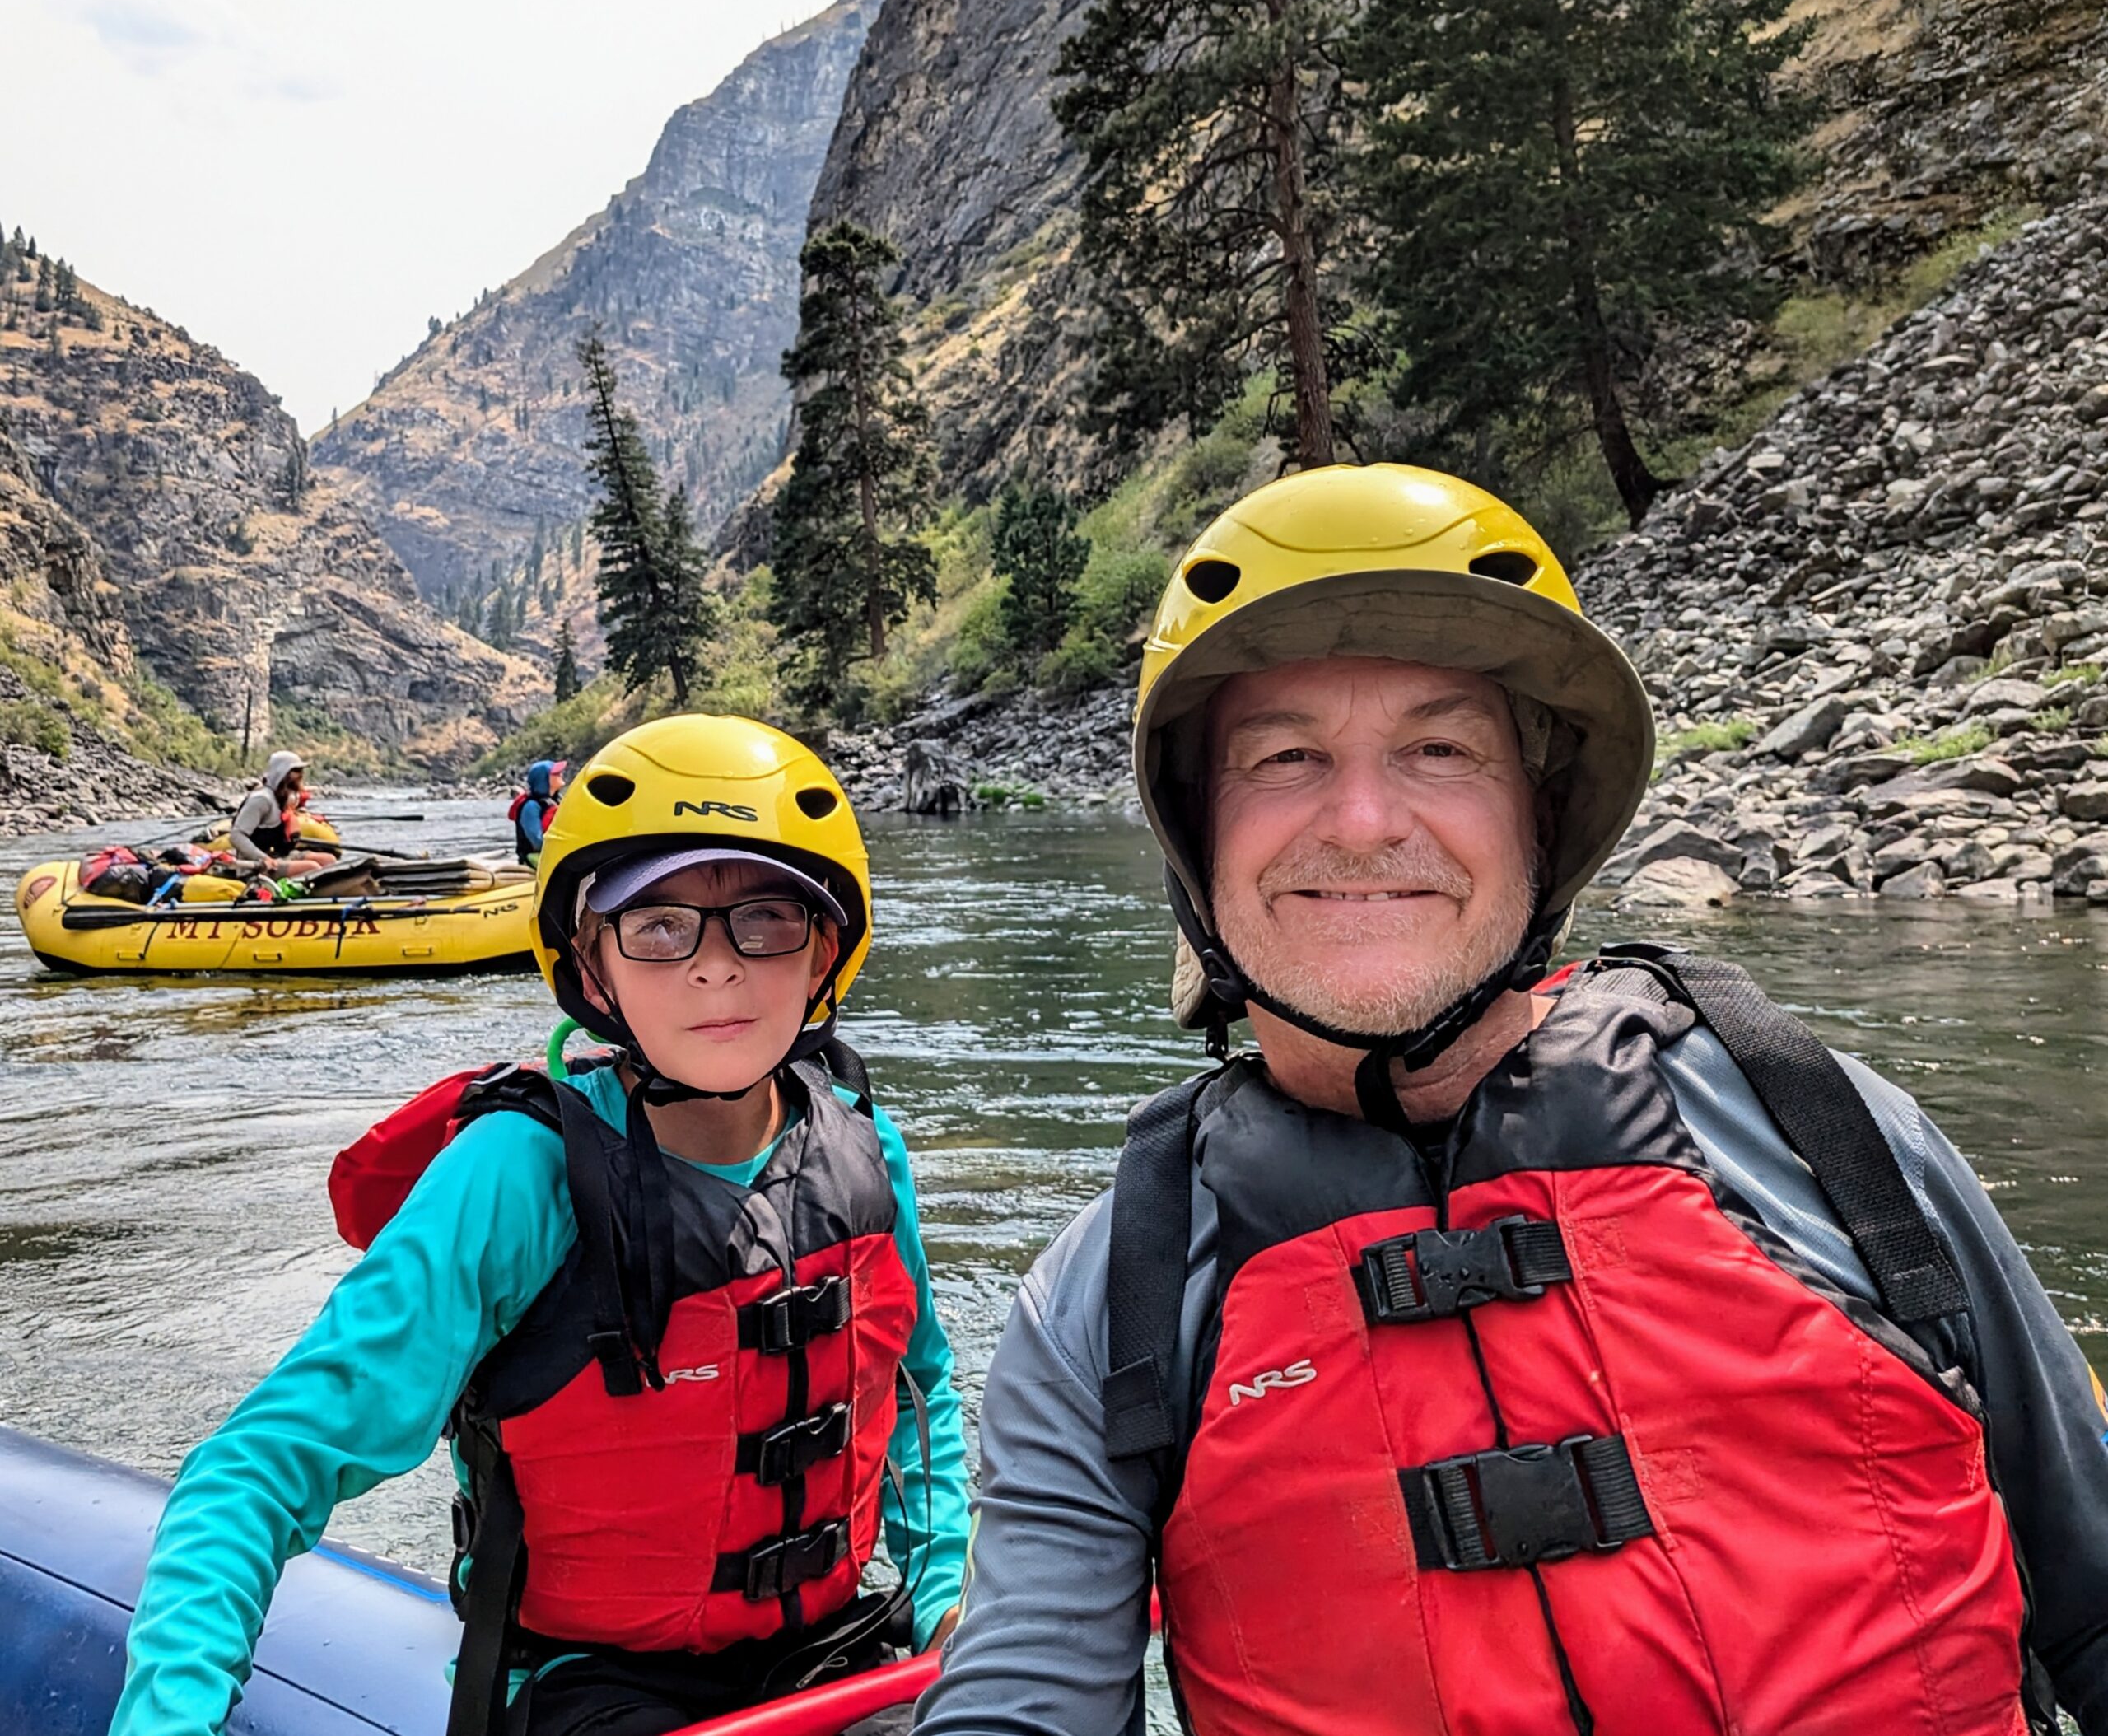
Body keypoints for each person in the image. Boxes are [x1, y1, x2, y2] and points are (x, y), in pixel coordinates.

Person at [915, 464, 2108, 1736]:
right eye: (1284, 756)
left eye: (1441, 748)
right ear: (1198, 840)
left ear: (1542, 821)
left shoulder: (1830, 1134)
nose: (1365, 820)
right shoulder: (1112, 1295)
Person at [111, 714, 970, 1736]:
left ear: (825, 946)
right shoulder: (517, 1176)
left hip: (838, 1661)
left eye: (768, 918)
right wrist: (170, 1714)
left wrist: (949, 1591)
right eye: (658, 924)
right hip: (594, 1694)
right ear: (590, 964)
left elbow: (923, 1394)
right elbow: (254, 1472)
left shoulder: (864, 1145)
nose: (715, 967)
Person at [226, 750, 333, 880]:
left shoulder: (282, 797)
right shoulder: (262, 800)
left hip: (280, 855)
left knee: (329, 860)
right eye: (297, 771)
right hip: (256, 865)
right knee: (312, 868)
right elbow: (236, 836)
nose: (301, 775)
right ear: (283, 773)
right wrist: (263, 858)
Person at [510, 757, 567, 866]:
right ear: (544, 779)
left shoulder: (557, 800)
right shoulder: (531, 806)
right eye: (556, 773)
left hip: (554, 854)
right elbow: (537, 842)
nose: (561, 774)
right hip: (534, 857)